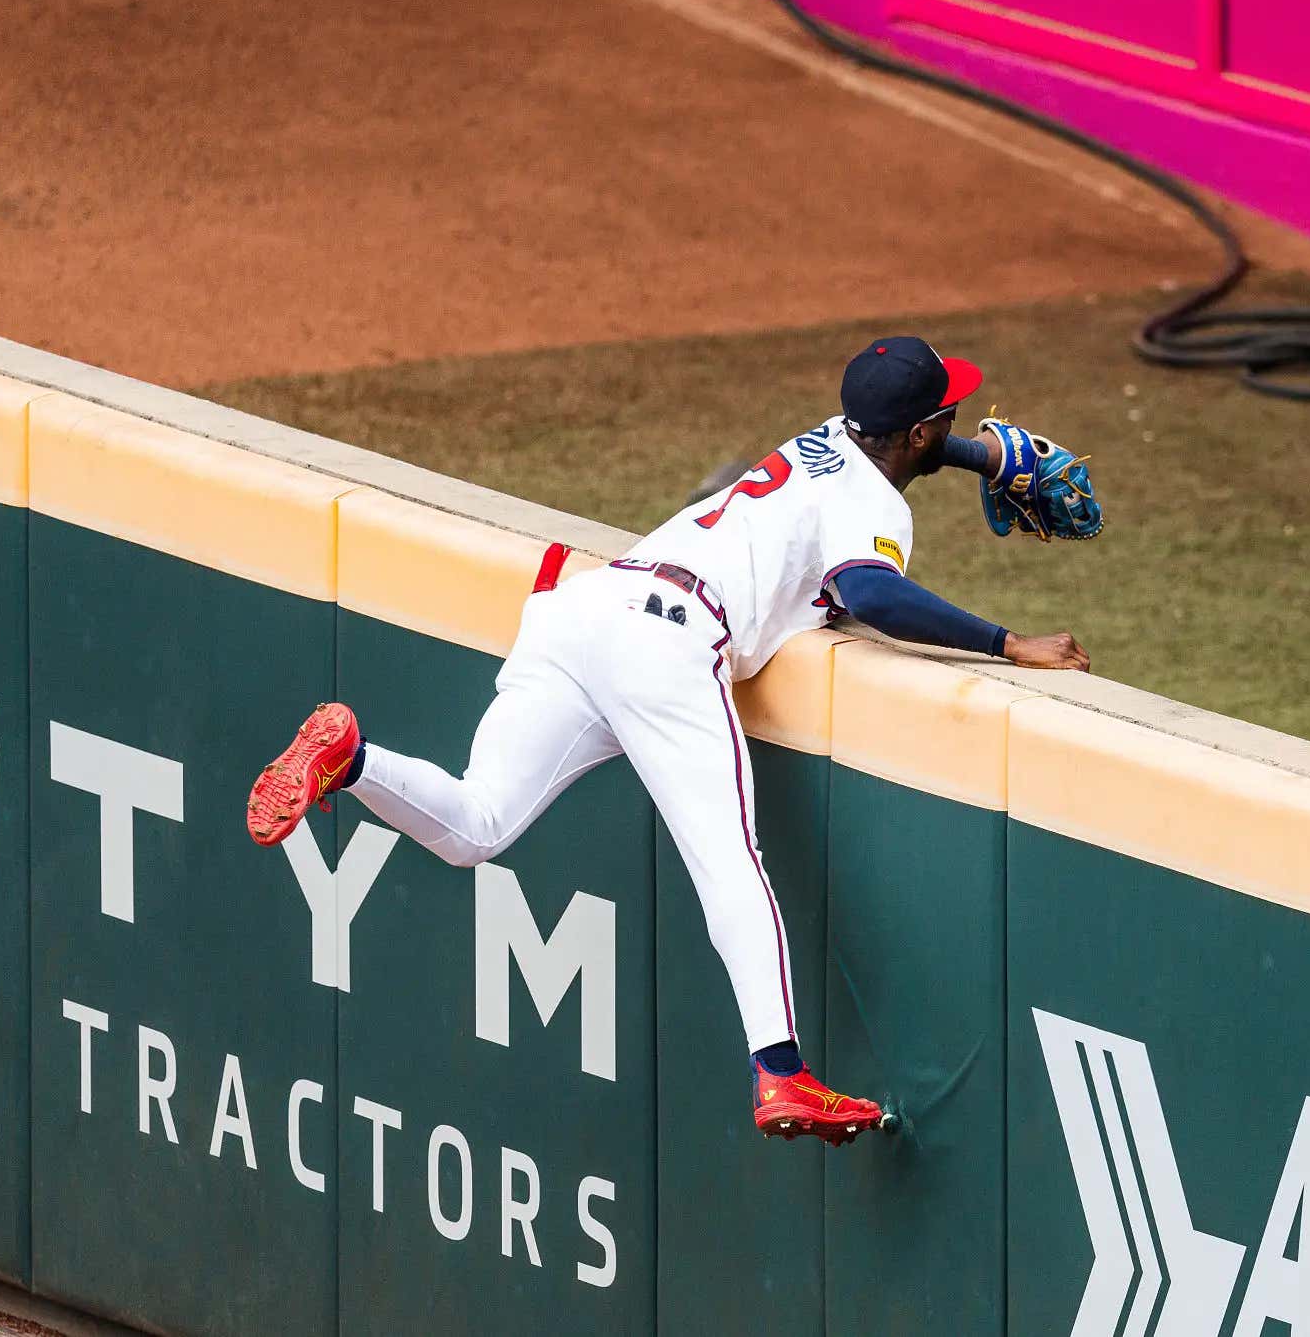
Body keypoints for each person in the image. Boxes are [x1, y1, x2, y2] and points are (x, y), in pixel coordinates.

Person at [246, 336, 1089, 1146]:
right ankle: (781, 1068)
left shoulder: (832, 440)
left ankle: (352, 758)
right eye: (948, 413)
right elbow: (872, 592)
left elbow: (904, 453)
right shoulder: (871, 506)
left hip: (581, 611)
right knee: (730, 860)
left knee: (479, 824)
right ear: (916, 431)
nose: (955, 421)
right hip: (667, 641)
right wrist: (1009, 643)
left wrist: (982, 455)